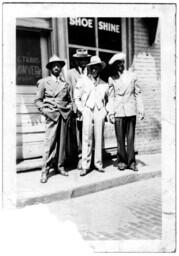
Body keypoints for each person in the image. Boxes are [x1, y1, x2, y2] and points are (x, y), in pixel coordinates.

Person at [34, 55, 72, 183]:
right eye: (53, 65)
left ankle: (59, 166)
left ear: (61, 68)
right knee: (49, 144)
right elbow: (37, 101)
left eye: (58, 65)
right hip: (51, 116)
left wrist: (70, 109)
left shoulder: (65, 84)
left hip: (63, 115)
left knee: (62, 144)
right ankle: (45, 170)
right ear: (50, 68)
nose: (56, 67)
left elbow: (69, 100)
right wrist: (45, 111)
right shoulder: (44, 82)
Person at [74, 56, 113, 176]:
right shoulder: (83, 80)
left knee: (99, 137)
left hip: (99, 111)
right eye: (92, 68)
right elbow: (76, 97)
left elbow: (110, 99)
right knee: (87, 137)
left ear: (99, 69)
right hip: (87, 110)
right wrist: (82, 109)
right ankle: (85, 166)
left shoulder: (104, 84)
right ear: (89, 69)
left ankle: (98, 164)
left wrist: (106, 111)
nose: (94, 70)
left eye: (96, 67)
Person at [108, 52, 144, 172]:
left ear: (124, 63)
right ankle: (122, 161)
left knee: (130, 138)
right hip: (118, 111)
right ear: (114, 65)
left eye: (121, 63)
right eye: (117, 64)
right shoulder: (112, 78)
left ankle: (131, 162)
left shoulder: (133, 76)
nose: (120, 65)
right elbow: (111, 97)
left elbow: (138, 93)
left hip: (130, 110)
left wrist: (141, 109)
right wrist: (111, 113)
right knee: (120, 138)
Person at [66, 49, 91, 170]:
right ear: (76, 61)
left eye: (85, 59)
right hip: (76, 109)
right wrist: (73, 106)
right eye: (80, 59)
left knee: (86, 133)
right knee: (77, 134)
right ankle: (79, 158)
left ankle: (86, 157)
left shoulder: (91, 72)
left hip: (88, 108)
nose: (83, 61)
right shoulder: (70, 73)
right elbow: (69, 91)